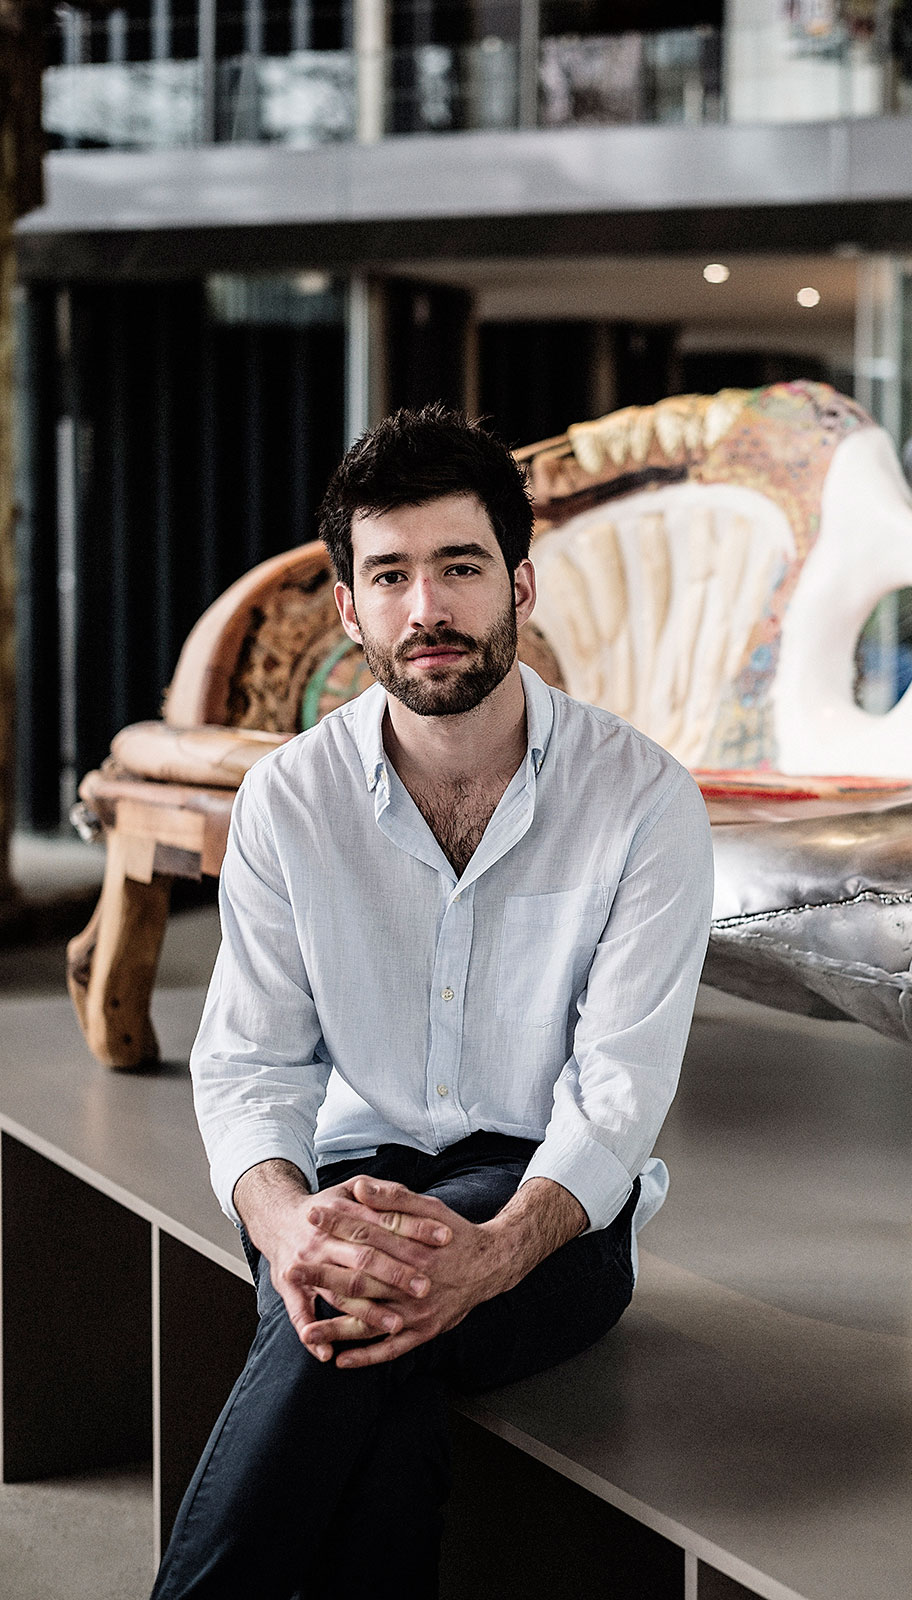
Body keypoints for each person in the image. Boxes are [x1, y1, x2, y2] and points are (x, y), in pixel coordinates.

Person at [151, 405, 714, 1600]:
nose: (427, 610)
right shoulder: (288, 803)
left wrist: (494, 1250)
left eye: (458, 568)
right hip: (351, 1187)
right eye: (390, 575)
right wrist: (287, 1228)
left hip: (553, 1206)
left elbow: (619, 1088)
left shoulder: (641, 798)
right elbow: (249, 1068)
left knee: (350, 1325)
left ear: (519, 584)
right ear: (348, 607)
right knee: (371, 1343)